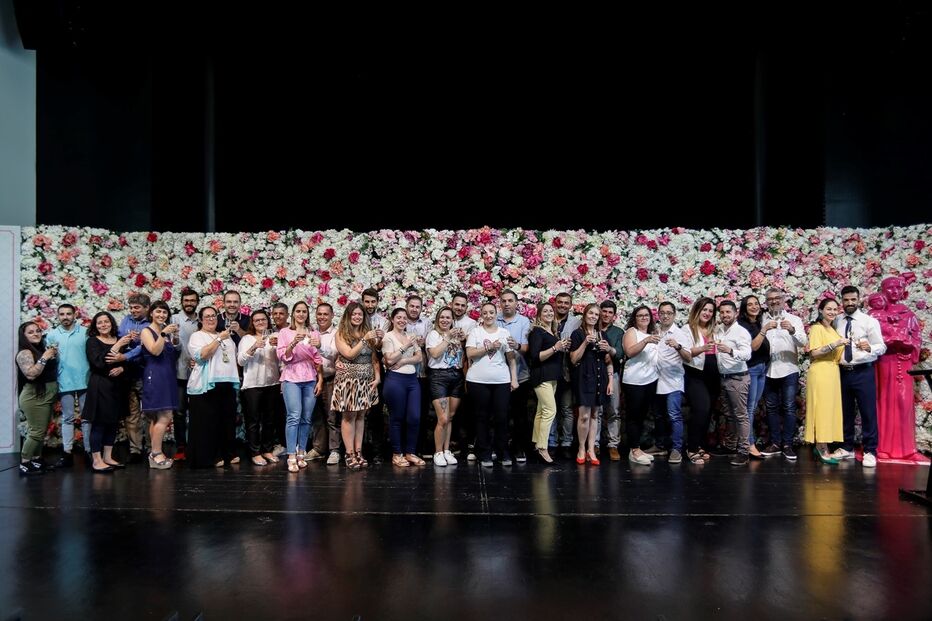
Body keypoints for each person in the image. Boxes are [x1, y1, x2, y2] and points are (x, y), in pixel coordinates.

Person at [867, 277, 928, 464]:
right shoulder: (875, 314)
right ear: (882, 291)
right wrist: (888, 342)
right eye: (890, 288)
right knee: (884, 401)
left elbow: (916, 338)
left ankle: (908, 449)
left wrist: (909, 345)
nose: (894, 291)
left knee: (904, 402)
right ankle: (883, 447)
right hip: (884, 362)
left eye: (898, 288)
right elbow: (869, 339)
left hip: (904, 362)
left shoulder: (908, 314)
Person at [466, 302, 519, 467]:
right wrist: (488, 347)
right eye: (485, 313)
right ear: (481, 315)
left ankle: (502, 451)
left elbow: (511, 358)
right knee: (481, 417)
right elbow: (470, 354)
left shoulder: (504, 332)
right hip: (477, 381)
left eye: (491, 312)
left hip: (501, 381)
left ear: (497, 314)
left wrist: (514, 378)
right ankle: (484, 452)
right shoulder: (475, 332)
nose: (488, 315)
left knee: (502, 417)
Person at [186, 307, 240, 468]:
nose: (211, 319)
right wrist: (218, 340)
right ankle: (210, 456)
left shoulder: (227, 337)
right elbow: (201, 356)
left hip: (226, 383)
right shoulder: (197, 336)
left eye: (213, 316)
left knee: (226, 422)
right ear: (201, 320)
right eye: (207, 316)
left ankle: (227, 452)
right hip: (206, 386)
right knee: (207, 423)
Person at [759, 288, 808, 461]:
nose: (774, 301)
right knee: (771, 407)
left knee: (788, 407)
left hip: (789, 369)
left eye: (777, 298)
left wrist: (793, 331)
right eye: (770, 299)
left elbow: (804, 343)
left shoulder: (794, 319)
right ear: (766, 301)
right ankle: (774, 443)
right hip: (768, 370)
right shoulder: (762, 319)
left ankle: (787, 444)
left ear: (783, 299)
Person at [332, 302, 381, 469]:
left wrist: (378, 377)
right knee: (349, 416)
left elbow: (374, 357)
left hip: (366, 379)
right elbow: (350, 354)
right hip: (348, 379)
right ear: (348, 316)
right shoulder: (341, 334)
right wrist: (364, 340)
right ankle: (349, 452)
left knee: (361, 416)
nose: (357, 317)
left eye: (360, 314)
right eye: (354, 314)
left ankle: (359, 451)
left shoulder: (367, 333)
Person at [276, 301, 323, 472]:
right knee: (294, 416)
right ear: (293, 314)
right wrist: (293, 343)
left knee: (306, 418)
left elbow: (318, 359)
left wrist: (318, 347)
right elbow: (282, 356)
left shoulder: (313, 333)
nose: (301, 314)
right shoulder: (285, 332)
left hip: (310, 377)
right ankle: (291, 455)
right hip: (291, 377)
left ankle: (301, 452)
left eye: (304, 311)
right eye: (298, 311)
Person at [83, 312, 133, 472]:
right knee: (99, 424)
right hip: (100, 386)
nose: (103, 325)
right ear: (95, 326)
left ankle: (108, 457)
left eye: (106, 321)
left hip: (117, 387)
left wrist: (122, 368)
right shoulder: (92, 342)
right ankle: (96, 460)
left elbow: (128, 361)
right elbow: (98, 363)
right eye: (100, 323)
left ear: (111, 323)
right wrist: (116, 346)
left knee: (113, 423)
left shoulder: (119, 339)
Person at [46, 304, 90, 467]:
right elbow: (49, 359)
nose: (65, 317)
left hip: (85, 380)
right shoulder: (52, 335)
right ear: (58, 316)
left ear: (74, 314)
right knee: (68, 418)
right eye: (62, 314)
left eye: (68, 314)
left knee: (87, 418)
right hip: (64, 381)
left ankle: (89, 450)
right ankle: (67, 452)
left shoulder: (85, 332)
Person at [139, 301, 181, 469]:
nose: (162, 315)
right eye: (158, 312)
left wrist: (174, 337)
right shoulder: (146, 331)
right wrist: (163, 334)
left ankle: (154, 453)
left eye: (164, 312)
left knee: (157, 418)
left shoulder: (166, 332)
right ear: (151, 314)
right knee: (165, 416)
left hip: (168, 375)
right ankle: (156, 453)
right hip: (155, 376)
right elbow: (155, 351)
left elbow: (173, 354)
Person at [805, 298, 847, 464]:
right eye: (828, 309)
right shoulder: (817, 328)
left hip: (833, 371)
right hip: (821, 370)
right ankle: (821, 446)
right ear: (821, 310)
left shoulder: (833, 329)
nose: (832, 312)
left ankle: (823, 444)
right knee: (821, 409)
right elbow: (814, 353)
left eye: (835, 309)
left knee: (830, 409)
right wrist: (835, 344)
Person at [571, 303, 614, 466]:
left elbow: (609, 360)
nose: (594, 317)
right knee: (584, 415)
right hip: (583, 377)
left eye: (596, 315)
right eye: (591, 313)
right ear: (585, 315)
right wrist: (585, 343)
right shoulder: (577, 334)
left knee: (596, 415)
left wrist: (608, 349)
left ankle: (591, 449)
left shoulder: (602, 334)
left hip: (599, 377)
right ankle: (581, 448)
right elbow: (573, 359)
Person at [382, 308, 425, 467]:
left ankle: (410, 452)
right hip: (395, 380)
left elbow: (419, 357)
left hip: (412, 379)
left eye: (404, 318)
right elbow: (389, 360)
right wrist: (405, 346)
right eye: (398, 317)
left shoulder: (410, 336)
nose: (401, 320)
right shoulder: (388, 337)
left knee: (414, 417)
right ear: (392, 319)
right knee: (397, 417)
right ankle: (397, 453)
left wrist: (405, 361)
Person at [238, 310, 281, 466]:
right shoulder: (247, 339)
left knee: (270, 420)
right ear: (252, 323)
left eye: (263, 319)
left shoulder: (274, 337)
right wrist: (254, 347)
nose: (260, 322)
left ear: (267, 321)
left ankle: (267, 450)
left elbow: (282, 360)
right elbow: (241, 361)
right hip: (252, 385)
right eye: (257, 320)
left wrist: (278, 348)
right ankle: (255, 452)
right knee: (253, 421)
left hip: (272, 384)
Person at [527, 302, 569, 464]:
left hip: (552, 377)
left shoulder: (552, 331)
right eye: (545, 311)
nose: (549, 313)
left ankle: (537, 444)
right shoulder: (537, 332)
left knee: (541, 411)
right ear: (539, 315)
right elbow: (535, 357)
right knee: (550, 410)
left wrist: (561, 347)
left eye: (551, 311)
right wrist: (555, 348)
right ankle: (543, 448)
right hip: (542, 376)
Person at [16, 322, 59, 475]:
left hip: (46, 396)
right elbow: (31, 374)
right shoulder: (25, 353)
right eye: (30, 332)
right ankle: (24, 463)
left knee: (41, 431)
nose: (35, 334)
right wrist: (45, 358)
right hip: (33, 397)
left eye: (38, 331)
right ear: (24, 336)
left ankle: (36, 460)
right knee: (36, 432)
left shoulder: (41, 349)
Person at [425, 306, 464, 466]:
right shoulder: (433, 335)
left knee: (450, 416)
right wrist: (447, 337)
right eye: (442, 317)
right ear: (437, 319)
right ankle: (438, 452)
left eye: (448, 317)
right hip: (438, 377)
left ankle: (447, 450)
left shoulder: (456, 335)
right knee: (442, 418)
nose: (445, 320)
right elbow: (434, 353)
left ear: (452, 320)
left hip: (456, 376)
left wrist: (461, 338)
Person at [621, 305, 656, 466]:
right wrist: (646, 340)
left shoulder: (653, 334)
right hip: (634, 381)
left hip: (650, 381)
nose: (643, 318)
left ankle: (637, 448)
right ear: (635, 318)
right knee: (633, 416)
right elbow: (630, 352)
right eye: (640, 315)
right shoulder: (632, 332)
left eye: (646, 315)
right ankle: (634, 450)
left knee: (642, 416)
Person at [738, 295, 770, 459]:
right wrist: (764, 330)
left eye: (756, 303)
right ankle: (749, 444)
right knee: (749, 408)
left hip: (762, 368)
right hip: (751, 370)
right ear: (744, 308)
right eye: (749, 304)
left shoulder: (756, 322)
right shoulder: (743, 325)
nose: (753, 306)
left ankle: (748, 442)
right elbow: (752, 347)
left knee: (753, 406)